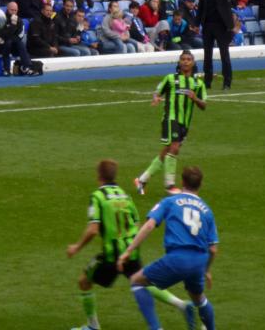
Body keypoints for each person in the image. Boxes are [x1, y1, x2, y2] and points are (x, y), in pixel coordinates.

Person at [66, 159, 191, 330]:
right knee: (142, 281)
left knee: (84, 281)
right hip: (131, 251)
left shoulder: (98, 197)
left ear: (99, 176)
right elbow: (137, 225)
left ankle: (93, 326)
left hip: (112, 255)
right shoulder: (126, 196)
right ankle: (181, 305)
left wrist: (76, 247)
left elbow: (93, 230)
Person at [118, 165, 218, 330]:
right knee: (199, 299)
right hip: (199, 261)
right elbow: (213, 249)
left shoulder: (170, 201)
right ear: (200, 185)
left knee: (136, 281)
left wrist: (128, 251)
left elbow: (149, 226)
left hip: (177, 258)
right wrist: (206, 270)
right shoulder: (207, 210)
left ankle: (156, 328)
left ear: (182, 182)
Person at [134, 50, 206, 196]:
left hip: (184, 123)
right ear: (179, 62)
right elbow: (158, 92)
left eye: (188, 59)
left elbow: (204, 105)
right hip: (171, 118)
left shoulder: (198, 83)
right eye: (183, 59)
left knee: (167, 151)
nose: (185, 61)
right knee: (174, 148)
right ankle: (170, 185)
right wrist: (155, 98)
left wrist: (195, 99)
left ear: (193, 63)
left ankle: (142, 180)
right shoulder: (170, 78)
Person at [196, 0, 253, 91]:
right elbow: (201, 6)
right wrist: (196, 23)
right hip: (207, 25)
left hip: (222, 25)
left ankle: (227, 82)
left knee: (224, 54)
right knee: (207, 55)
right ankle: (207, 82)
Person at [0, 1, 35, 76]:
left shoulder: (19, 20)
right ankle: (6, 69)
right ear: (7, 9)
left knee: (19, 43)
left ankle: (27, 67)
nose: (14, 12)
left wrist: (9, 33)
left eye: (15, 10)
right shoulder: (1, 19)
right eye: (12, 10)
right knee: (8, 43)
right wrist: (12, 26)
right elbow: (1, 33)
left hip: (12, 44)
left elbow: (18, 36)